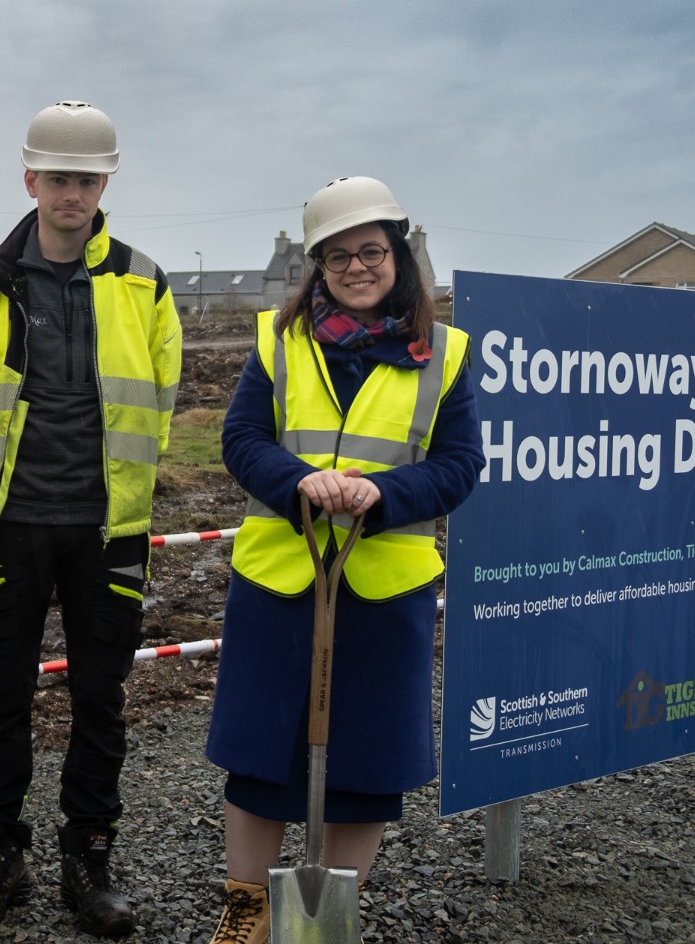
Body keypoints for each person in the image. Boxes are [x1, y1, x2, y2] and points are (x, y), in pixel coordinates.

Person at [202, 177, 485, 943]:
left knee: (366, 761)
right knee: (261, 755)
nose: (356, 268)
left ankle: (327, 918)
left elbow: (459, 465)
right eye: (337, 257)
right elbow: (242, 441)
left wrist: (382, 493)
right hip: (281, 581)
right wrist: (300, 482)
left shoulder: (446, 355)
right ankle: (246, 912)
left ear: (398, 254)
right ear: (317, 266)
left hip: (381, 587)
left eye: (371, 252)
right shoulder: (279, 342)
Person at [0, 100, 183, 939]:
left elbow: (160, 397)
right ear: (30, 179)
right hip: (9, 524)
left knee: (99, 700)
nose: (71, 192)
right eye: (57, 177)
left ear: (104, 181)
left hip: (106, 530)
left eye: (85, 178)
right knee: (1, 702)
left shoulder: (146, 282)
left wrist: (124, 496)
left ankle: (90, 854)